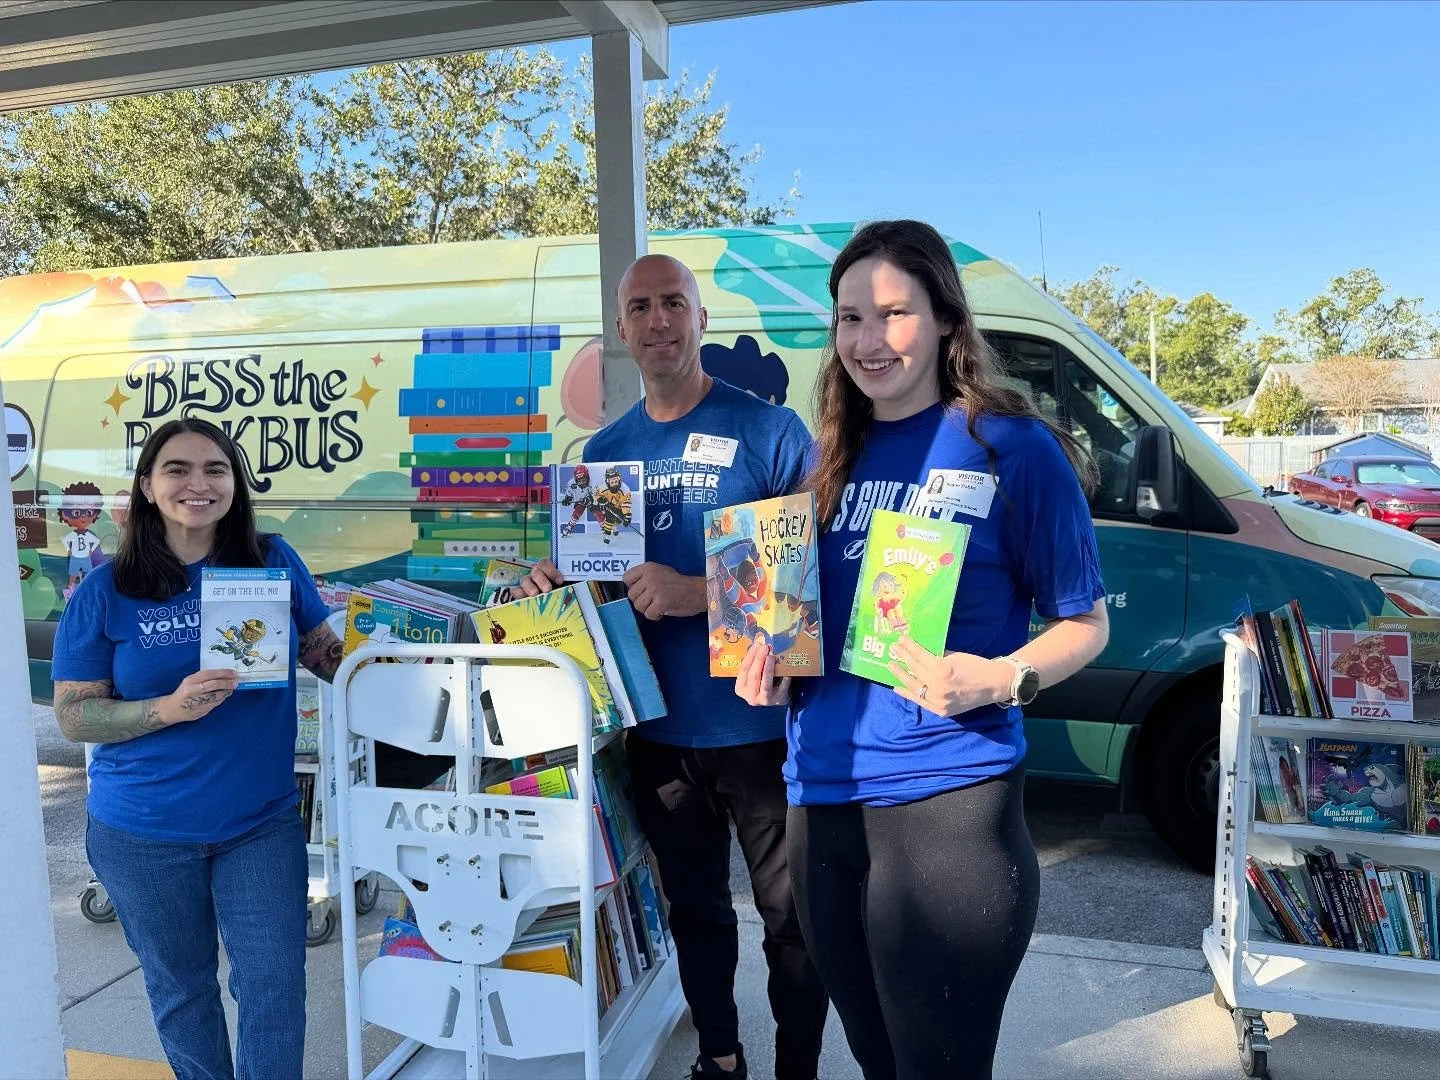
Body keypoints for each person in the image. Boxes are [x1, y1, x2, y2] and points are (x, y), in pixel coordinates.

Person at [736, 220, 1111, 1080]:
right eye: (850, 317)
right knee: (875, 1062)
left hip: (948, 810)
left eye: (894, 313)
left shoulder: (1011, 447)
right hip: (819, 804)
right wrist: (767, 666)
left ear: (945, 317)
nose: (869, 340)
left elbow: (1087, 625)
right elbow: (793, 627)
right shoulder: (825, 459)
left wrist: (1004, 676)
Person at [522, 253, 829, 1080]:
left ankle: (797, 1068)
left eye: (673, 303)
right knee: (693, 911)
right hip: (656, 731)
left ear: (699, 319)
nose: (658, 320)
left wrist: (696, 592)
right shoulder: (603, 452)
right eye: (641, 307)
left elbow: (802, 596)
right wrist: (551, 586)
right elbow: (590, 590)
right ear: (621, 331)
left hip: (762, 726)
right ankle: (721, 1059)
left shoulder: (769, 431)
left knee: (793, 920)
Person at [51, 417, 349, 1080]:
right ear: (149, 488)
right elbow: (73, 716)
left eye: (215, 469)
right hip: (143, 834)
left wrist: (404, 657)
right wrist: (168, 708)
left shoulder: (270, 561)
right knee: (183, 991)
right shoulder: (104, 592)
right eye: (178, 469)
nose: (199, 483)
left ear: (235, 485)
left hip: (260, 823)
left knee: (275, 990)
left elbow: (323, 653)